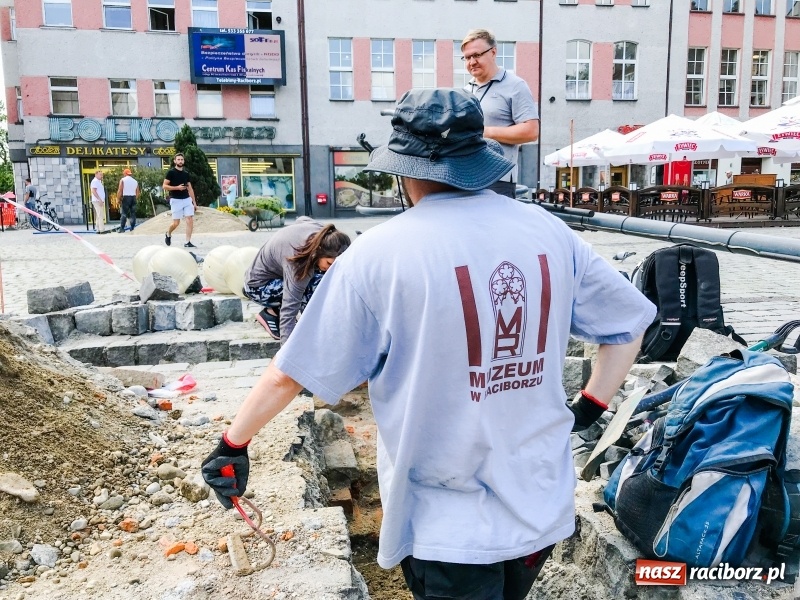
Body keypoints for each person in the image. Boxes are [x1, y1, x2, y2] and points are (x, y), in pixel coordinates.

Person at [201, 89, 655, 600]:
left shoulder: (378, 254)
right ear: (478, 160)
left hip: (447, 522)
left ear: (403, 170)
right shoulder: (550, 232)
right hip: (539, 503)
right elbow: (629, 324)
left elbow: (291, 371)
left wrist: (232, 445)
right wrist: (591, 404)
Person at [242, 216, 351, 343]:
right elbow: (290, 309)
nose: (330, 268)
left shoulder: (325, 234)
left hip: (280, 275)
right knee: (314, 286)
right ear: (320, 251)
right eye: (329, 263)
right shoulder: (298, 265)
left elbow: (302, 219)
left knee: (326, 278)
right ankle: (310, 327)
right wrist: (286, 354)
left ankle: (277, 311)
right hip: (257, 287)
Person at [462, 28, 539, 198]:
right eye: (467, 58)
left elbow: (531, 131)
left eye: (477, 55)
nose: (472, 62)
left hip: (498, 181)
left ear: (493, 52)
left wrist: (484, 132)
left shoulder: (515, 85)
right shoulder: (466, 91)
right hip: (465, 178)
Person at [162, 153, 197, 248]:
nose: (180, 161)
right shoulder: (171, 173)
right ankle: (168, 233)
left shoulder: (186, 174)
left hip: (186, 199)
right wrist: (177, 188)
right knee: (176, 223)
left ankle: (187, 242)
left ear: (184, 161)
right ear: (175, 161)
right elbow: (164, 186)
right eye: (178, 159)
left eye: (182, 159)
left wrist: (194, 203)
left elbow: (190, 188)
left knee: (189, 219)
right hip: (175, 200)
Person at [117, 168, 139, 232]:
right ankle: (132, 227)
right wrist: (135, 198)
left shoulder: (123, 180)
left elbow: (120, 190)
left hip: (126, 197)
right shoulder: (135, 181)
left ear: (125, 174)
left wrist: (118, 199)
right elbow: (138, 191)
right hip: (133, 197)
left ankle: (122, 228)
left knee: (124, 213)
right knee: (133, 213)